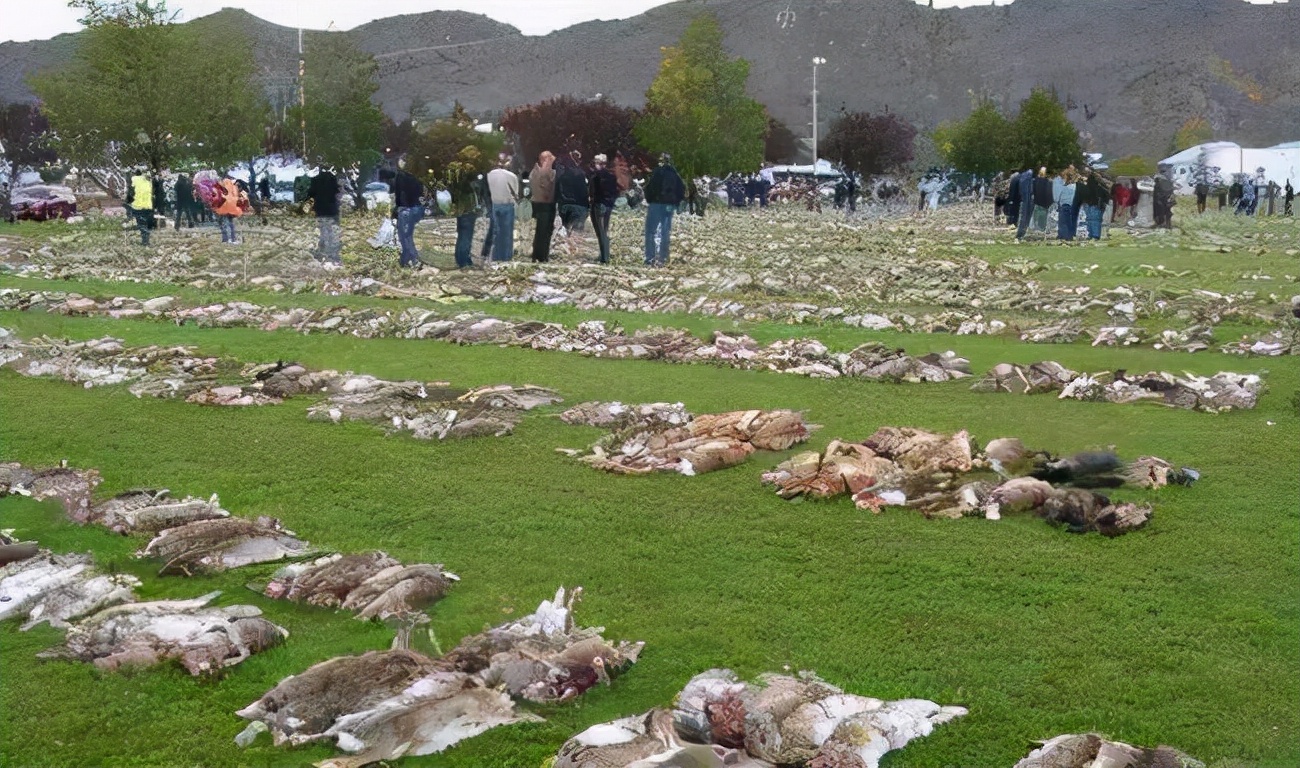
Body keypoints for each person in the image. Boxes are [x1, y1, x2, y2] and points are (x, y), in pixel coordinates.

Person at [445, 147, 483, 269]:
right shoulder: (468, 169)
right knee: (467, 233)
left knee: (462, 233)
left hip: (458, 205)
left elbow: (450, 186)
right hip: (468, 206)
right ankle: (464, 261)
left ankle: (461, 257)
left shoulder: (452, 168)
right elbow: (472, 185)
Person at [644, 153, 685, 266]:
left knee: (650, 231)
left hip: (656, 204)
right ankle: (663, 258)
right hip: (669, 205)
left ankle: (650, 258)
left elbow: (649, 188)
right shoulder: (674, 173)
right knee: (665, 232)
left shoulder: (657, 172)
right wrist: (675, 202)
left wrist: (649, 199)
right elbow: (681, 189)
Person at [381, 167, 425, 267]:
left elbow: (401, 194)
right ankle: (404, 260)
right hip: (417, 208)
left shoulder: (401, 176)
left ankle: (415, 260)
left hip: (406, 209)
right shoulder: (417, 176)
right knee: (407, 235)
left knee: (405, 237)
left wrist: (398, 208)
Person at [486, 155, 520, 262]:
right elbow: (516, 193)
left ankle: (496, 257)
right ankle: (506, 257)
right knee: (507, 233)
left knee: (496, 232)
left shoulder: (488, 176)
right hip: (507, 205)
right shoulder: (512, 176)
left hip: (494, 205)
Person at [555, 151, 589, 257]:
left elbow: (557, 190)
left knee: (566, 227)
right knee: (576, 232)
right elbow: (584, 191)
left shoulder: (560, 174)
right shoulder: (581, 173)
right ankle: (574, 254)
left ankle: (566, 250)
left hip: (564, 206)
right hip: (579, 206)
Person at [307, 167, 341, 264]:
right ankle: (332, 253)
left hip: (320, 209)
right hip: (332, 209)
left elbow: (310, 193)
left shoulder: (315, 179)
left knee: (323, 230)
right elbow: (336, 191)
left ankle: (324, 251)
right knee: (333, 231)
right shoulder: (333, 178)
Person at [588, 153, 618, 264]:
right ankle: (604, 254)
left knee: (600, 232)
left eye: (596, 162)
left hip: (598, 205)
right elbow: (615, 192)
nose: (594, 165)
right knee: (604, 230)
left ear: (601, 164)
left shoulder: (595, 177)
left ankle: (604, 258)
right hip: (608, 206)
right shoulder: (612, 176)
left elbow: (592, 192)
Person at [529, 151, 556, 262]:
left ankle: (540, 254)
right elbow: (546, 189)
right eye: (550, 159)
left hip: (543, 204)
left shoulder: (537, 172)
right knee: (543, 231)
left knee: (544, 230)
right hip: (544, 205)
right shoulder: (541, 172)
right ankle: (541, 255)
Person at [125, 167, 155, 245]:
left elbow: (130, 192)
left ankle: (145, 242)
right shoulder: (148, 181)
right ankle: (146, 240)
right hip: (148, 206)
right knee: (145, 223)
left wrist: (128, 201)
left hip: (138, 206)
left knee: (141, 224)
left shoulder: (133, 180)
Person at [213, 175, 247, 244]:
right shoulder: (231, 186)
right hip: (230, 207)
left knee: (225, 223)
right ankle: (231, 239)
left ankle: (227, 239)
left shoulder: (224, 185)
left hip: (225, 207)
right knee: (229, 223)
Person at [1078, 169, 1107, 240]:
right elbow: (1106, 197)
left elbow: (1081, 196)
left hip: (1087, 205)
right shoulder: (1100, 188)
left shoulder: (1085, 188)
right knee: (1096, 221)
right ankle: (1096, 235)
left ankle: (1090, 234)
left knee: (1089, 220)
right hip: (1096, 206)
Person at [1054, 169, 1077, 241]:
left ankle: (1063, 236)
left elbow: (1057, 196)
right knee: (1069, 222)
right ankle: (1069, 236)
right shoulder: (1074, 186)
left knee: (1062, 222)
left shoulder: (1063, 186)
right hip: (1071, 205)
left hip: (1063, 205)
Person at [1014, 167, 1035, 239]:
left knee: (1023, 216)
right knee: (1025, 217)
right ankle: (1021, 233)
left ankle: (1021, 233)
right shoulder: (1028, 176)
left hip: (1025, 199)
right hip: (1027, 199)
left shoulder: (1023, 177)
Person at [1031, 167, 1053, 235]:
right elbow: (1049, 193)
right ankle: (1041, 230)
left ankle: (1037, 230)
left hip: (1037, 202)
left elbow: (1033, 192)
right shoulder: (1048, 182)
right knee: (1042, 219)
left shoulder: (1035, 181)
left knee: (1037, 218)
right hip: (1044, 203)